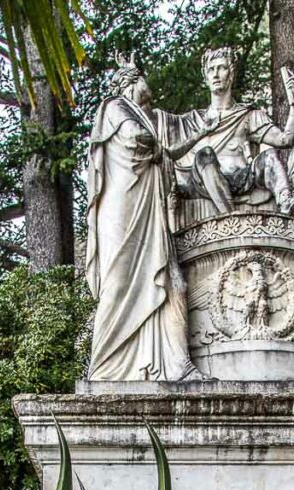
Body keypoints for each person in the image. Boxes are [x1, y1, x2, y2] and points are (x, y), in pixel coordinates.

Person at [86, 57, 213, 382]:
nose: (149, 87)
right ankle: (103, 367)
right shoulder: (114, 107)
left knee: (174, 282)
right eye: (144, 79)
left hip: (149, 214)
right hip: (124, 212)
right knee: (119, 285)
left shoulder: (141, 114)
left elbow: (162, 151)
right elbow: (136, 139)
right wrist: (164, 146)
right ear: (132, 81)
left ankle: (177, 364)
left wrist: (199, 135)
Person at [156, 47, 294, 217]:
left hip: (242, 178)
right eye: (211, 70)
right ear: (205, 77)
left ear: (231, 73)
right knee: (204, 154)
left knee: (270, 155)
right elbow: (154, 122)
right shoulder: (194, 120)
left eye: (221, 68)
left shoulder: (247, 115)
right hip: (207, 182)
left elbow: (285, 139)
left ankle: (286, 200)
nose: (215, 74)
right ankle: (229, 217)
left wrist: (293, 104)